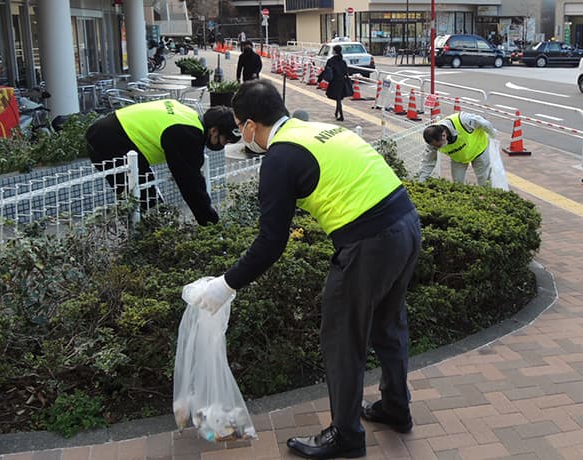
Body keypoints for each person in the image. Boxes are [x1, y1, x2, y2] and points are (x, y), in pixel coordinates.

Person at [185, 80, 421, 459]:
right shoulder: (313, 129)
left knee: (342, 337)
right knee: (388, 322)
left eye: (240, 127)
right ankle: (396, 406)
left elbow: (271, 242)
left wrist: (225, 285)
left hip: (370, 242)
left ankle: (346, 435)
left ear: (248, 126)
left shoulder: (280, 157)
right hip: (407, 223)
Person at [84, 99, 240, 226]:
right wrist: (210, 222)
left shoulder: (189, 116)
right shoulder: (187, 134)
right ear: (213, 130)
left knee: (143, 195)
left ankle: (146, 236)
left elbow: (190, 168)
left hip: (109, 132)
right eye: (225, 140)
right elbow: (190, 184)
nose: (223, 145)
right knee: (143, 201)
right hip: (109, 142)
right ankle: (144, 243)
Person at [419, 112, 497, 186]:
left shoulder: (463, 120)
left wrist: (492, 135)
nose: (436, 148)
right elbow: (428, 162)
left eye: (439, 145)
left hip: (479, 150)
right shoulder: (433, 143)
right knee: (457, 184)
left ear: (443, 135)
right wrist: (421, 182)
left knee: (485, 180)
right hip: (458, 159)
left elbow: (484, 123)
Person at [321, 44, 352, 121]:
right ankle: (336, 112)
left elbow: (326, 71)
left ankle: (341, 115)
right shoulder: (343, 61)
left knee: (338, 98)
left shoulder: (331, 61)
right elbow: (346, 72)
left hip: (334, 81)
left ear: (334, 51)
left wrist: (320, 78)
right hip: (342, 81)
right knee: (339, 98)